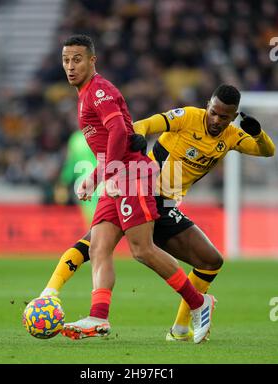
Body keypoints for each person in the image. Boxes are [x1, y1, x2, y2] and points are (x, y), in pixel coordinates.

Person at [41, 82, 275, 342]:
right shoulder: (188, 117)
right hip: (144, 187)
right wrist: (134, 141)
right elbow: (145, 124)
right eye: (213, 112)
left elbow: (267, 151)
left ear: (232, 117)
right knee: (100, 243)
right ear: (208, 105)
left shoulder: (232, 137)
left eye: (224, 116)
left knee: (209, 261)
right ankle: (55, 296)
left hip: (165, 204)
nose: (216, 120)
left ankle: (179, 329)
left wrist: (258, 135)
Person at [53, 34, 215, 344]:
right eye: (66, 60)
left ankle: (199, 302)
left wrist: (105, 173)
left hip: (130, 176)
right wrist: (100, 174)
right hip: (117, 175)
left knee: (142, 250)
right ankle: (99, 317)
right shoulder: (85, 93)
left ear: (91, 61)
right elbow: (117, 133)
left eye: (77, 60)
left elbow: (117, 130)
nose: (70, 66)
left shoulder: (98, 90)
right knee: (99, 246)